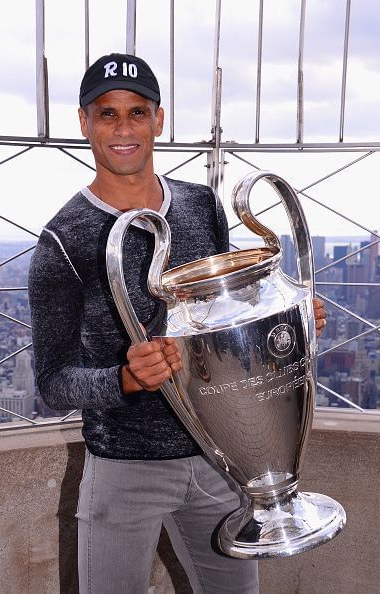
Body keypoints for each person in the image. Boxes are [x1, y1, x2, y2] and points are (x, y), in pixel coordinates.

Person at [28, 53, 327, 594]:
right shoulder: (63, 238)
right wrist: (124, 378)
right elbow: (51, 382)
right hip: (125, 468)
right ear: (84, 122)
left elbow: (228, 322)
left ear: (158, 121)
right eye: (107, 114)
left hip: (221, 457)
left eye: (137, 113)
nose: (123, 129)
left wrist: (287, 322)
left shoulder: (200, 205)